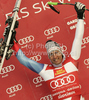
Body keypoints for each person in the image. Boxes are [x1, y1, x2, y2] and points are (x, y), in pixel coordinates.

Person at [12, 2, 85, 100]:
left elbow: (78, 38)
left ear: (61, 53)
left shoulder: (72, 61)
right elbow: (23, 60)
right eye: (51, 54)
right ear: (49, 57)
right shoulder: (45, 70)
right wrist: (13, 43)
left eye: (56, 52)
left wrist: (80, 17)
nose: (54, 56)